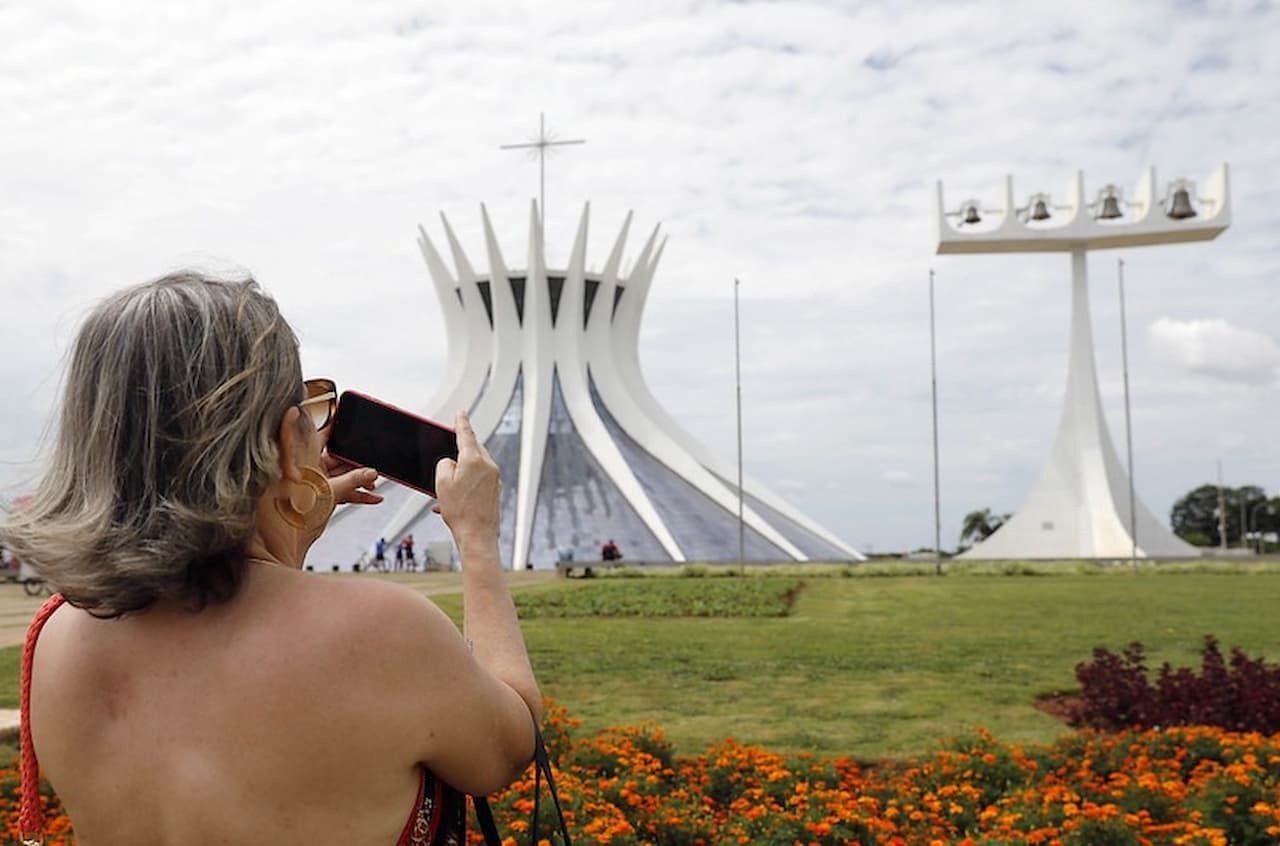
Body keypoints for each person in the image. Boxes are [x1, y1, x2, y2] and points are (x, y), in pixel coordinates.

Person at [0, 272, 541, 845]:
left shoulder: (55, 639)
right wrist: (478, 540)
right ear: (287, 438)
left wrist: (285, 526)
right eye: (311, 411)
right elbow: (510, 745)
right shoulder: (383, 632)